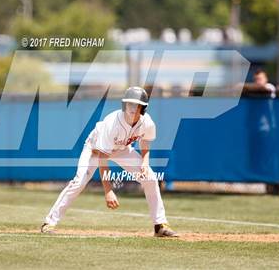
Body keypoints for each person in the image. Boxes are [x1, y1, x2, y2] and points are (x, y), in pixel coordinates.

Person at [41, 86, 179, 237]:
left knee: (151, 179)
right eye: (129, 103)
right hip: (94, 150)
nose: (132, 107)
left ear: (143, 107)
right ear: (124, 104)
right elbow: (102, 158)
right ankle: (50, 222)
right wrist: (108, 191)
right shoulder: (112, 123)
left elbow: (145, 141)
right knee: (79, 182)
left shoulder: (147, 123)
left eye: (136, 104)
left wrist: (145, 163)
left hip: (122, 149)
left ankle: (160, 225)